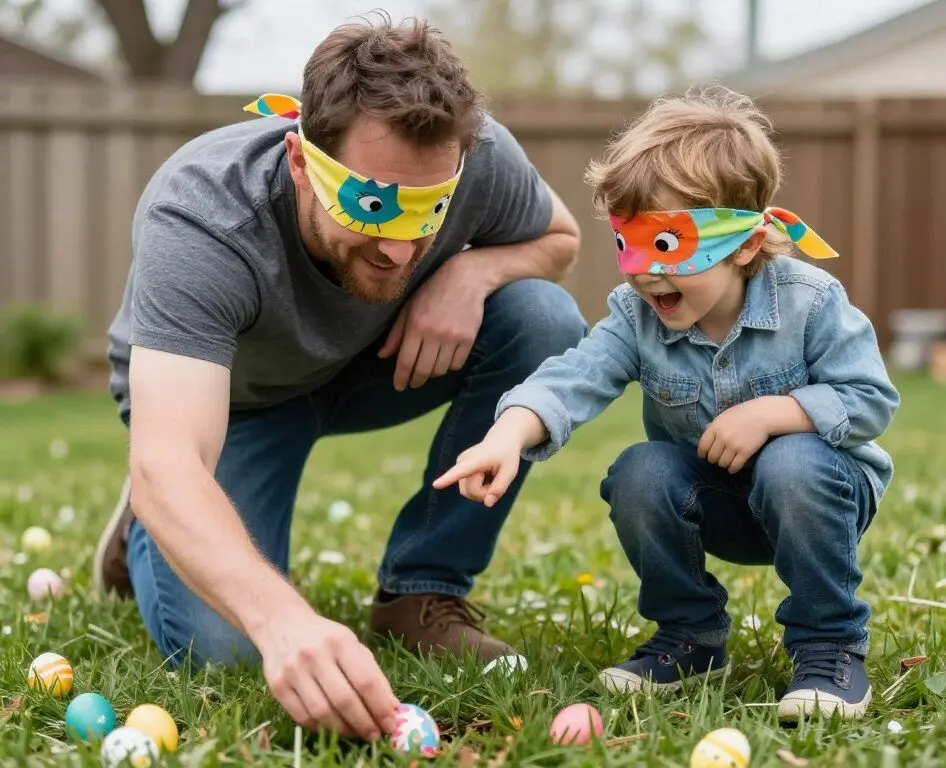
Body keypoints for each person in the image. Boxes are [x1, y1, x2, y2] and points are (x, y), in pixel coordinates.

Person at [94, 15, 586, 741]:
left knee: (544, 320)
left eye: (430, 210)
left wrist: (475, 270)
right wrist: (284, 621)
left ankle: (421, 593)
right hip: (239, 403)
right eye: (373, 206)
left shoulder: (475, 155)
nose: (399, 246)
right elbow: (169, 457)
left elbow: (561, 237)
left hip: (374, 363)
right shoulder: (203, 215)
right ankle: (154, 515)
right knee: (228, 651)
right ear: (300, 162)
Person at [434, 86, 900, 721]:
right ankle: (690, 639)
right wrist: (507, 436)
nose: (643, 273)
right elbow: (571, 378)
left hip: (822, 495)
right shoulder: (638, 316)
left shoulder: (810, 301)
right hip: (713, 501)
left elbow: (870, 399)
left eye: (667, 247)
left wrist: (771, 414)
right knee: (640, 470)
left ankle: (829, 649)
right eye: (630, 243)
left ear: (741, 245)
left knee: (793, 461)